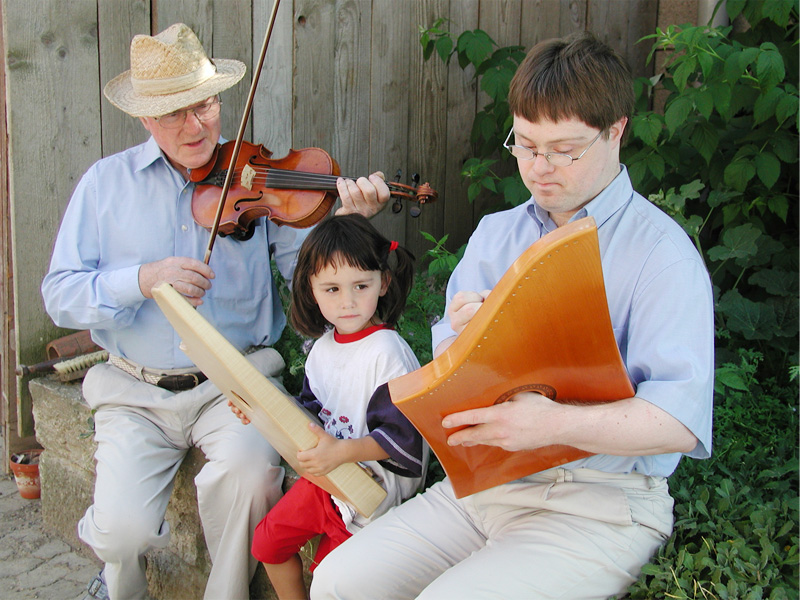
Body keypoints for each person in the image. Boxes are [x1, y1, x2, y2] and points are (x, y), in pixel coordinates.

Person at [310, 31, 714, 600]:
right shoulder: (496, 234)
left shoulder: (661, 254)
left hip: (597, 505)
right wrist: (462, 348)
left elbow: (679, 420)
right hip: (482, 487)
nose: (539, 168)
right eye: (524, 145)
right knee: (336, 583)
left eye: (564, 150)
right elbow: (450, 385)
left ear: (616, 129)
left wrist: (553, 424)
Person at [41, 23, 389, 600]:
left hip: (237, 386)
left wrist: (348, 227)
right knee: (121, 535)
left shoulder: (256, 180)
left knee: (252, 477)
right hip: (136, 391)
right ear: (146, 119)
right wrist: (144, 280)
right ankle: (115, 580)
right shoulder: (105, 185)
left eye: (203, 105)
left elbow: (312, 276)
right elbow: (60, 294)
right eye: (175, 113)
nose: (195, 126)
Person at [233, 214, 427, 599]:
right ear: (311, 289)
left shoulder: (387, 354)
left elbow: (403, 438)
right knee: (267, 545)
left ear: (383, 283)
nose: (348, 302)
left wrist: (342, 451)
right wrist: (261, 411)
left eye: (361, 285)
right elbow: (308, 415)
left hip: (370, 491)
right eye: (332, 289)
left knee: (329, 577)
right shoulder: (322, 350)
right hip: (327, 480)